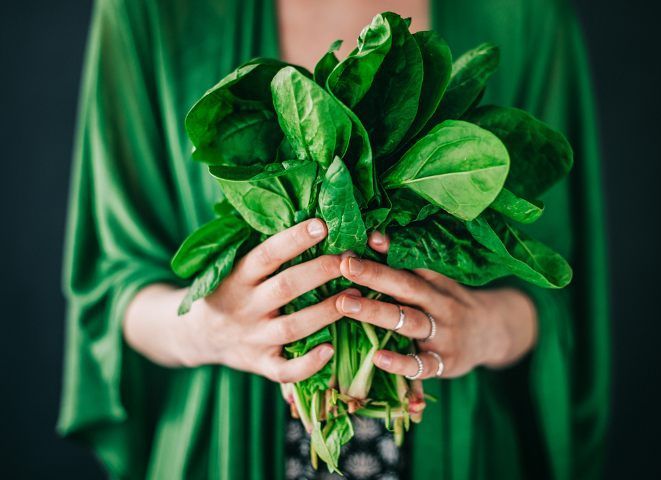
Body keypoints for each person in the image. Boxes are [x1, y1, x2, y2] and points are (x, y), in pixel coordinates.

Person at [58, 0, 609, 479]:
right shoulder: (149, 10)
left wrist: (484, 329)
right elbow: (111, 286)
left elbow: (558, 285)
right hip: (223, 446)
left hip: (460, 447)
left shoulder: (527, 14)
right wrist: (211, 329)